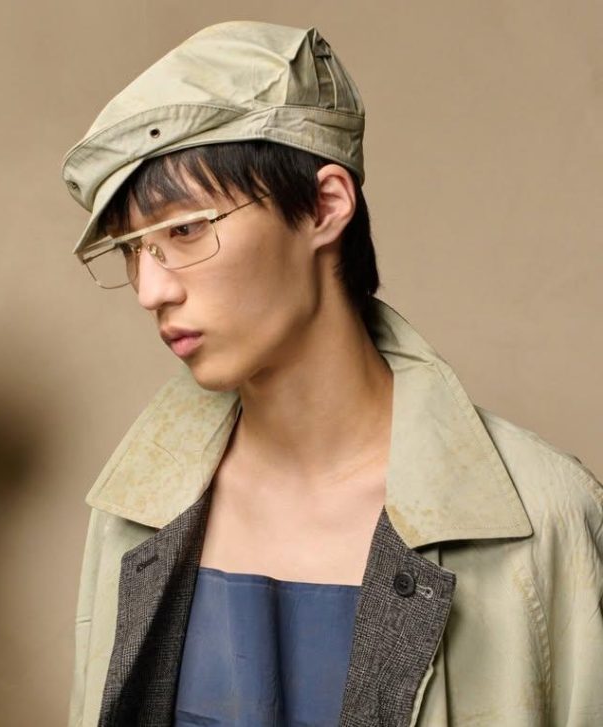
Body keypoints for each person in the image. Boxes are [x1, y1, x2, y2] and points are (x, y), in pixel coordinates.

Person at [61, 22, 603, 727]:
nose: (150, 289)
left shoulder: (545, 518)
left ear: (325, 206)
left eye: (185, 229)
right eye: (132, 249)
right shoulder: (135, 511)